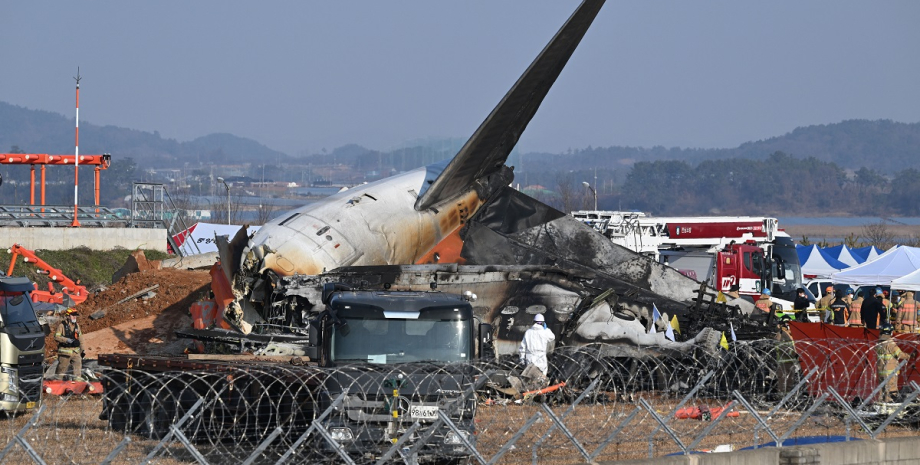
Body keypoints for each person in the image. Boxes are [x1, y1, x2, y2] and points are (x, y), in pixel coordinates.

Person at [875, 324, 911, 402]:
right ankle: (890, 404)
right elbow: (899, 354)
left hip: (881, 371)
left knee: (882, 390)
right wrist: (909, 356)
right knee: (891, 390)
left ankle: (882, 404)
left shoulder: (879, 343)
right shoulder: (890, 343)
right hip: (890, 372)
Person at [519, 313, 556, 379]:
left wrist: (522, 358)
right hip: (541, 357)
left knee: (530, 377)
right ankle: (540, 388)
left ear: (534, 322)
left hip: (530, 357)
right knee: (541, 376)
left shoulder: (528, 332)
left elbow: (522, 346)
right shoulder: (545, 332)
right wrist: (546, 329)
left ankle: (530, 388)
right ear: (543, 323)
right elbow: (552, 337)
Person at [54, 308, 85, 381]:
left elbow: (81, 339)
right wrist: (66, 340)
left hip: (76, 353)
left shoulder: (77, 326)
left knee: (77, 372)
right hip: (65, 353)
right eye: (73, 315)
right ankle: (56, 387)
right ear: (68, 316)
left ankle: (77, 387)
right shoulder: (62, 326)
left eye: (75, 316)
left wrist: (82, 350)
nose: (74, 317)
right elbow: (56, 337)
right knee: (60, 372)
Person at [775, 315, 798, 393]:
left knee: (790, 380)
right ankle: (782, 396)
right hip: (783, 361)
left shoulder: (790, 334)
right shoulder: (780, 334)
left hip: (790, 361)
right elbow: (782, 346)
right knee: (783, 380)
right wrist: (794, 354)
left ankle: (788, 396)